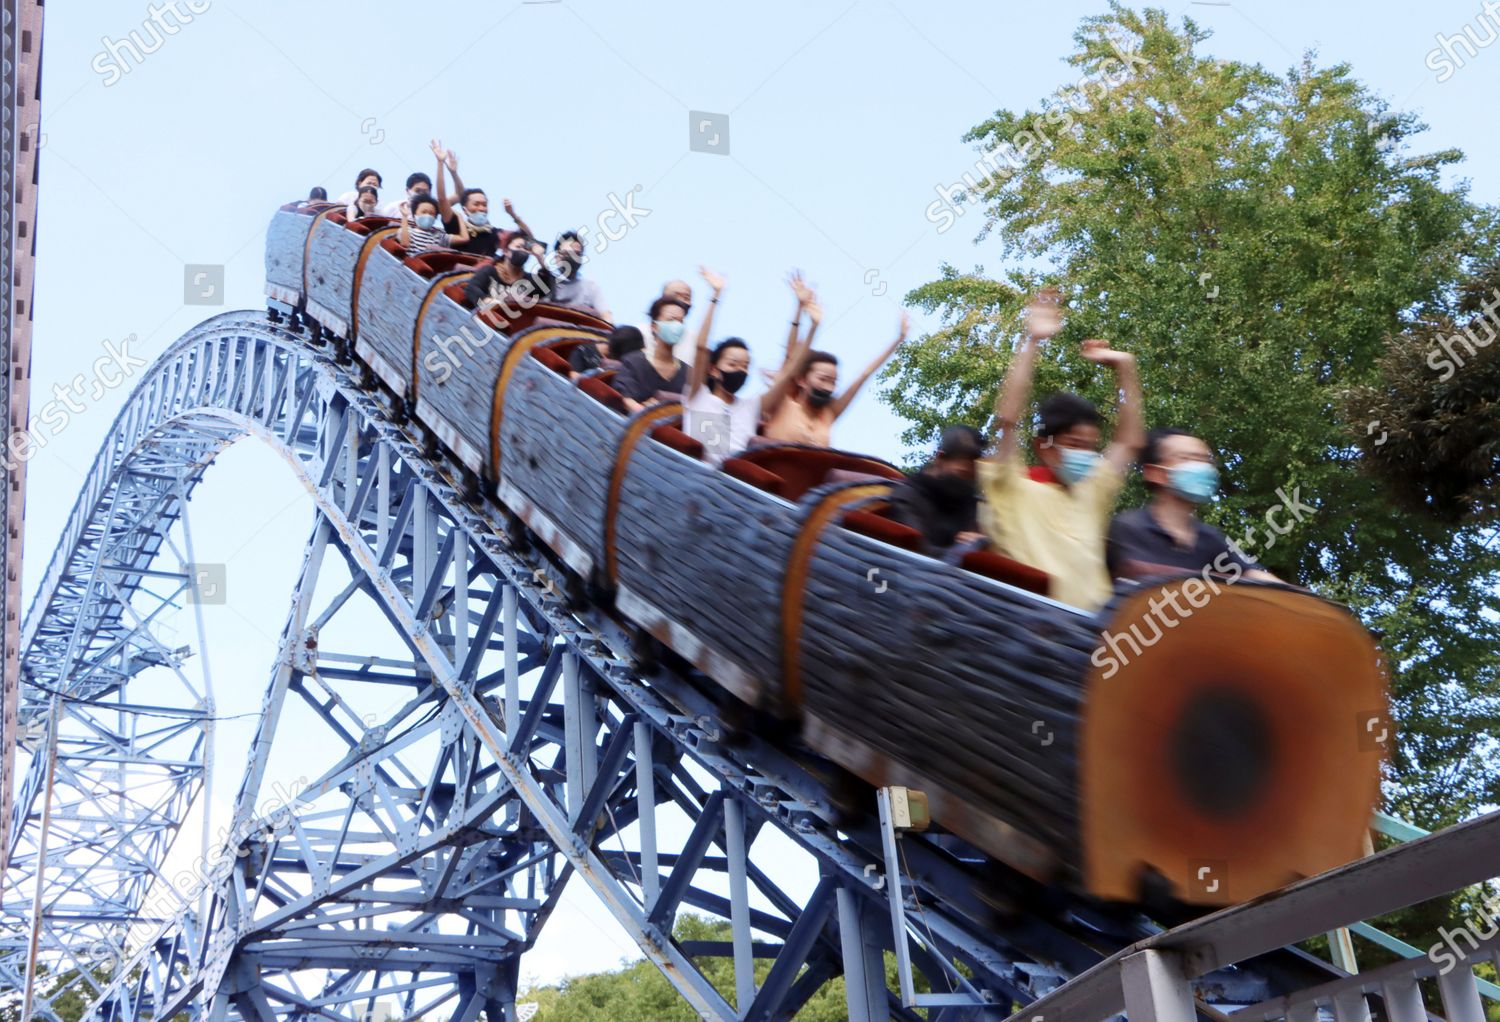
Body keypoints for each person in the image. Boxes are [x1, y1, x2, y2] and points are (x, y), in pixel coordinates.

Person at [978, 287, 1144, 611]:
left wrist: (1125, 367)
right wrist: (1032, 341)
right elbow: (1008, 420)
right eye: (1075, 444)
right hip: (1026, 627)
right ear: (1045, 446)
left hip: (1088, 636)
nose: (1086, 454)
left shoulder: (1092, 490)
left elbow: (1129, 442)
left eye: (1091, 446)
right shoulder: (1011, 487)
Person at [1107, 428, 1280, 582]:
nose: (1201, 467)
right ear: (1155, 473)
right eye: (1187, 458)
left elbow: (1257, 578)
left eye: (1205, 460)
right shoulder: (1127, 529)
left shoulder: (1210, 539)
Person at [680, 269, 814, 466]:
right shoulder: (698, 395)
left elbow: (789, 372)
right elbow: (701, 348)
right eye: (733, 364)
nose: (740, 370)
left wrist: (809, 321)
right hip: (696, 475)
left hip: (733, 483)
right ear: (714, 369)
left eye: (745, 366)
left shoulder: (751, 407)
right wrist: (715, 296)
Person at [762, 309, 909, 447]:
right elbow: (790, 361)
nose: (828, 387)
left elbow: (864, 375)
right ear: (802, 380)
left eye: (833, 382)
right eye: (823, 379)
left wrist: (899, 339)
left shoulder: (829, 413)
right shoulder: (783, 403)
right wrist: (811, 323)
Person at [888, 425, 987, 558]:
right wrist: (965, 550)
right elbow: (918, 554)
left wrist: (982, 542)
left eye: (971, 476)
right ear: (940, 458)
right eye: (962, 473)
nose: (966, 481)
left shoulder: (967, 501)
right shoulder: (906, 497)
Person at [615, 297, 689, 412]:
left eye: (681, 322)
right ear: (654, 327)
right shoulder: (634, 362)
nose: (677, 326)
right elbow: (625, 399)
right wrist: (646, 414)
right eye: (671, 320)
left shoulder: (688, 373)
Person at [428, 142, 499, 257]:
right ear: (465, 209)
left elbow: (517, 241)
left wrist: (454, 173)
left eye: (484, 204)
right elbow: (442, 200)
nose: (481, 208)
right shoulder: (457, 225)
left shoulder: (494, 233)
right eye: (476, 204)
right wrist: (440, 163)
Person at [463, 233, 557, 320]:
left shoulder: (529, 280)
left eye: (525, 249)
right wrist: (488, 300)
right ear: (506, 251)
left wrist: (540, 258)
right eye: (518, 247)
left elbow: (548, 289)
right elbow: (471, 288)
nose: (522, 251)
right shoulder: (490, 271)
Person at [549, 231, 609, 318]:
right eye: (567, 253)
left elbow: (606, 316)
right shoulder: (545, 282)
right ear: (556, 258)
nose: (572, 257)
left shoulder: (589, 287)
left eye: (577, 254)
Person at [399, 193, 469, 255]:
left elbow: (464, 238)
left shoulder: (439, 235)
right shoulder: (407, 231)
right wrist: (405, 216)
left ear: (435, 217)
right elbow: (405, 244)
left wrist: (460, 217)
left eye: (431, 213)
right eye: (424, 212)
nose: (428, 215)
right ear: (415, 215)